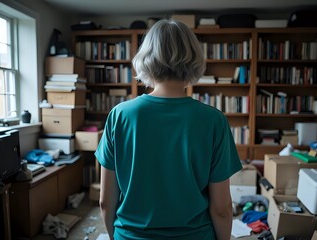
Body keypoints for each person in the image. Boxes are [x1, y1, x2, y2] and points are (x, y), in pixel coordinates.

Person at [95, 19, 242, 240]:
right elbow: (221, 209)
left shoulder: (119, 115)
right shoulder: (214, 120)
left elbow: (106, 203)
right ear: (194, 59)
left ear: (145, 58)